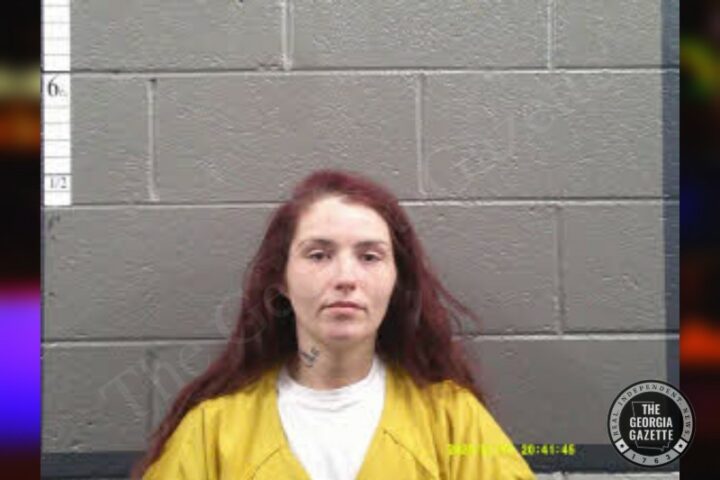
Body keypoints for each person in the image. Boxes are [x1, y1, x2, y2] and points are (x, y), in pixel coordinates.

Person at [133, 169, 535, 479]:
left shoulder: (453, 421)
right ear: (281, 280)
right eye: (319, 255)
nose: (345, 277)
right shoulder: (213, 431)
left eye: (370, 257)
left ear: (397, 280)